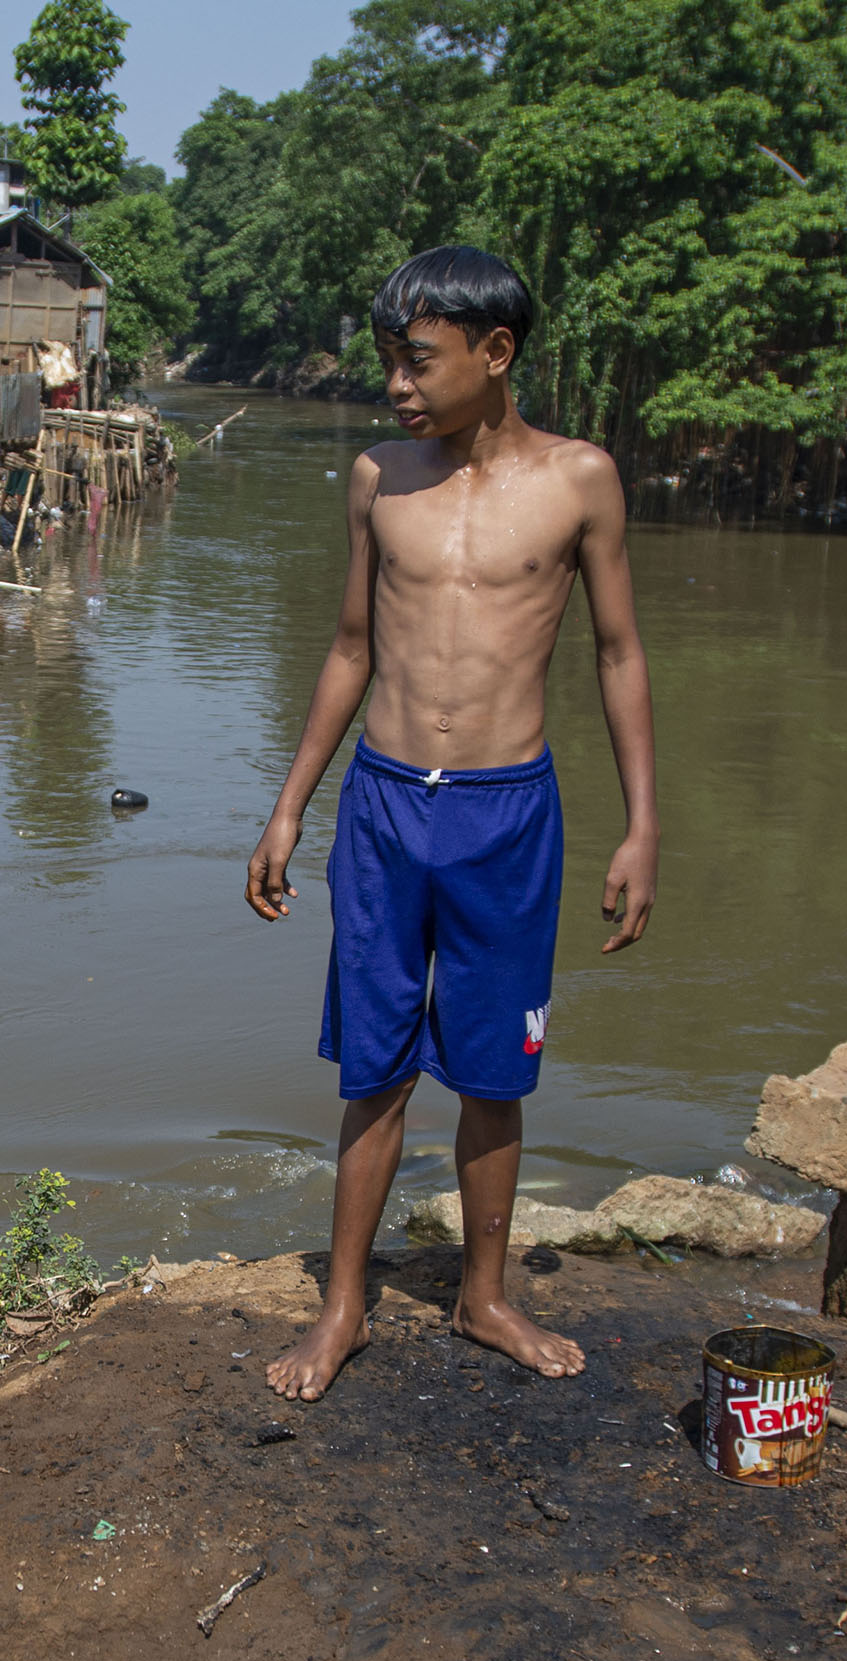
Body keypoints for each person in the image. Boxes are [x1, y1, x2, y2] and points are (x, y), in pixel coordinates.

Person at [241, 247, 658, 1399]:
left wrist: (641, 827)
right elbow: (348, 648)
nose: (398, 385)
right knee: (371, 1067)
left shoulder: (580, 481)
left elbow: (618, 653)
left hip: (506, 815)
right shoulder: (379, 476)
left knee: (493, 1069)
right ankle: (341, 1308)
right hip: (382, 808)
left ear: (495, 353)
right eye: (390, 361)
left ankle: (482, 1297)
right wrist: (288, 809)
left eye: (417, 361)